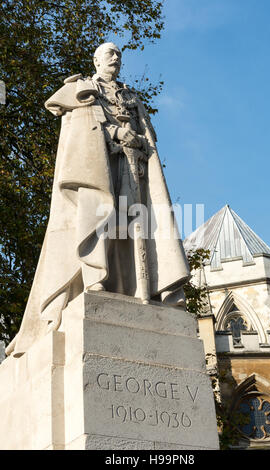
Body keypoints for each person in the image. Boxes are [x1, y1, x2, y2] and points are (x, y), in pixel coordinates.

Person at [6, 43, 190, 357]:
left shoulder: (131, 95)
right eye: (109, 53)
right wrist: (116, 135)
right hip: (101, 169)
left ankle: (138, 289)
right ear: (96, 60)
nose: (115, 57)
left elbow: (147, 132)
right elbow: (76, 123)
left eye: (119, 53)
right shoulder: (85, 89)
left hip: (136, 169)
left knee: (134, 231)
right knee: (100, 221)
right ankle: (96, 280)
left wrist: (139, 140)